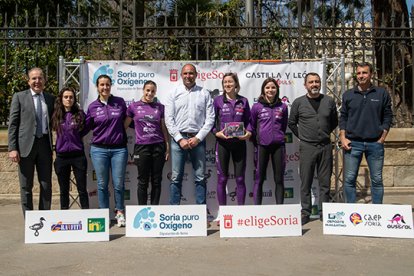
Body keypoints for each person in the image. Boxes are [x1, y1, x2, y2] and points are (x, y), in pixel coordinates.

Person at [288, 72, 338, 225]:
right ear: (305, 85)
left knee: (324, 182)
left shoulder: (329, 101)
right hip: (307, 147)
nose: (314, 84)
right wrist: (303, 136)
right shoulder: (298, 102)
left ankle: (324, 211)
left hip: (325, 147)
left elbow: (334, 122)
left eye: (317, 82)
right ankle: (306, 212)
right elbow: (291, 123)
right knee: (306, 181)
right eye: (311, 82)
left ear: (320, 83)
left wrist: (323, 134)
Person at [339, 62, 393, 204]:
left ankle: (377, 212)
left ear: (371, 74)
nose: (361, 76)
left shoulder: (381, 93)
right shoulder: (348, 95)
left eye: (364, 73)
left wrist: (382, 138)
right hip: (352, 143)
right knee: (349, 179)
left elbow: (388, 116)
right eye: (358, 73)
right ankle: (351, 211)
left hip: (375, 143)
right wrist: (343, 138)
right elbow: (343, 117)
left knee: (377, 180)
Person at [164, 63, 215, 205]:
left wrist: (198, 138)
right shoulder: (173, 94)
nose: (188, 76)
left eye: (191, 73)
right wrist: (180, 139)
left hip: (197, 139)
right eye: (185, 73)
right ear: (181, 75)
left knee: (200, 177)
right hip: (178, 140)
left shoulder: (204, 93)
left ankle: (201, 212)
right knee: (175, 178)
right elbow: (169, 119)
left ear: (196, 75)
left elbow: (210, 119)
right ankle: (174, 212)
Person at [8, 67, 55, 215]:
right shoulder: (19, 97)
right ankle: (30, 220)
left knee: (46, 185)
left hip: (45, 147)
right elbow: (13, 124)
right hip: (25, 148)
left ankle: (43, 218)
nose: (37, 81)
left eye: (40, 78)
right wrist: (12, 148)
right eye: (34, 78)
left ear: (44, 81)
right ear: (28, 81)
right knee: (26, 186)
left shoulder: (50, 99)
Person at [85, 75, 128, 227]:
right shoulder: (92, 107)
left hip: (119, 150)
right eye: (102, 85)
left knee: (118, 184)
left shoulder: (120, 103)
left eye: (107, 84)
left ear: (111, 86)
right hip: (98, 150)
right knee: (102, 184)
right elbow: (85, 127)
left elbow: (128, 121)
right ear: (97, 87)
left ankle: (119, 212)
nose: (105, 87)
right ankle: (104, 213)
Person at [124, 81, 170, 205]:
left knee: (156, 180)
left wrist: (167, 146)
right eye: (147, 90)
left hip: (158, 146)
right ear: (143, 90)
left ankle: (155, 210)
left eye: (153, 91)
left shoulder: (160, 107)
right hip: (141, 147)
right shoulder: (133, 107)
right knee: (142, 181)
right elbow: (125, 126)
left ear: (155, 92)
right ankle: (142, 210)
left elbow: (163, 128)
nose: (150, 93)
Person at [212, 73, 251, 206]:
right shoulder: (217, 101)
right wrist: (217, 134)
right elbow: (211, 122)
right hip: (222, 144)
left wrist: (249, 133)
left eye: (230, 82)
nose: (227, 84)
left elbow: (249, 121)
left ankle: (240, 212)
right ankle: (223, 212)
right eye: (225, 82)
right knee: (222, 179)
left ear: (236, 84)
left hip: (239, 144)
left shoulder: (244, 101)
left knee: (240, 179)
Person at [248, 78, 288, 205]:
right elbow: (252, 126)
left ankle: (279, 210)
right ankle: (257, 210)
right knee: (259, 179)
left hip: (278, 146)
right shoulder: (256, 106)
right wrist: (257, 140)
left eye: (273, 87)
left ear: (277, 90)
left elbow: (284, 125)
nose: (270, 90)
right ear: (263, 90)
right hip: (262, 146)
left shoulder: (283, 107)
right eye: (267, 88)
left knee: (279, 179)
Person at [52, 87, 89, 209]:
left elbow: (85, 128)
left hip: (78, 156)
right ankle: (64, 214)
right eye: (66, 97)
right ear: (61, 99)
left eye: (71, 97)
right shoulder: (56, 115)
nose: (69, 99)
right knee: (64, 190)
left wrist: (76, 138)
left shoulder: (80, 114)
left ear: (74, 99)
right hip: (62, 157)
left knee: (82, 189)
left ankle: (86, 215)